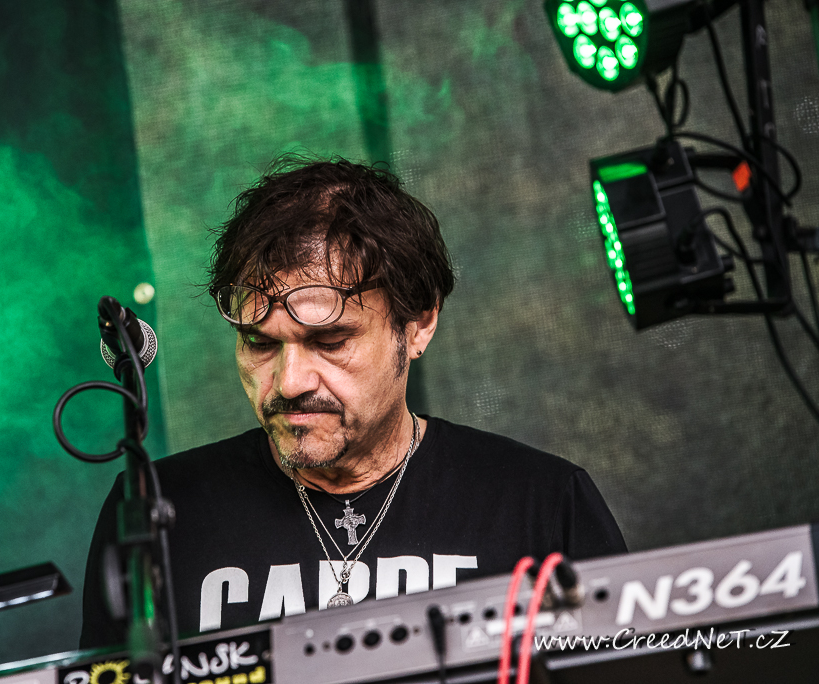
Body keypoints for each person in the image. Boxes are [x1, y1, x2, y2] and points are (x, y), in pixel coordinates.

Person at [80, 156, 626, 648]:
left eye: (330, 341)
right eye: (260, 343)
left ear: (418, 324)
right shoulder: (153, 510)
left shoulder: (541, 502)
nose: (290, 382)